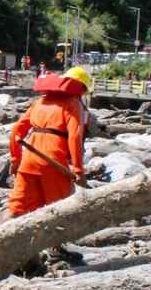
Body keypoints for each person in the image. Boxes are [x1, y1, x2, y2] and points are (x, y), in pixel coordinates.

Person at [9, 67, 92, 261]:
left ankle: (16, 251)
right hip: (54, 163)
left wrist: (15, 159)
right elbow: (75, 137)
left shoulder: (40, 102)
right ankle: (55, 250)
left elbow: (16, 131)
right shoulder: (73, 104)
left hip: (29, 160)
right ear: (80, 89)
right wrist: (79, 170)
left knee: (20, 208)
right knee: (58, 209)